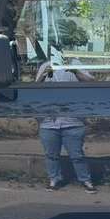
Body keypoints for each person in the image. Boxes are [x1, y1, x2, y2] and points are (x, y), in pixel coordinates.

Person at [35, 59, 97, 193]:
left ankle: (86, 180)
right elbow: (35, 88)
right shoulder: (45, 65)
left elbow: (91, 82)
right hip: (49, 122)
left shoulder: (76, 63)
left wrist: (75, 70)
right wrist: (44, 75)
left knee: (77, 155)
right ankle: (54, 180)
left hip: (73, 120)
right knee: (51, 155)